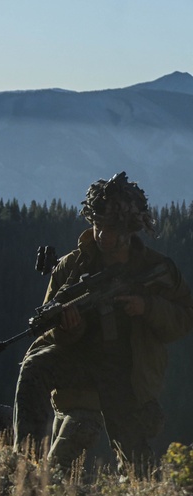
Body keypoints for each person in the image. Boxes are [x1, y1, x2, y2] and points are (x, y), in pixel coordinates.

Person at [12, 172, 193, 470]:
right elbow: (49, 329)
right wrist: (70, 328)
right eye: (97, 225)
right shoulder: (72, 267)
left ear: (130, 229)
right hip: (81, 366)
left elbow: (185, 317)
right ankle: (23, 467)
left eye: (111, 228)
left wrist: (146, 306)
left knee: (137, 469)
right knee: (35, 367)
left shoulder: (156, 269)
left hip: (129, 375)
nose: (102, 234)